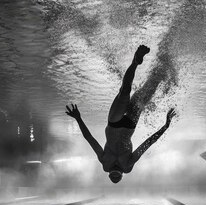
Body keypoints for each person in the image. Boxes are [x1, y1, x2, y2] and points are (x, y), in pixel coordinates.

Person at [65, 45, 177, 184]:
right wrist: (165, 126)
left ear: (109, 174)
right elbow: (148, 143)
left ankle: (136, 61)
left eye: (113, 177)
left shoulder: (105, 161)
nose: (115, 175)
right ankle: (165, 59)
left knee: (125, 92)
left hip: (114, 122)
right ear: (122, 175)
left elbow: (90, 138)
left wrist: (78, 118)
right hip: (131, 124)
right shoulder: (128, 165)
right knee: (152, 86)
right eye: (118, 177)